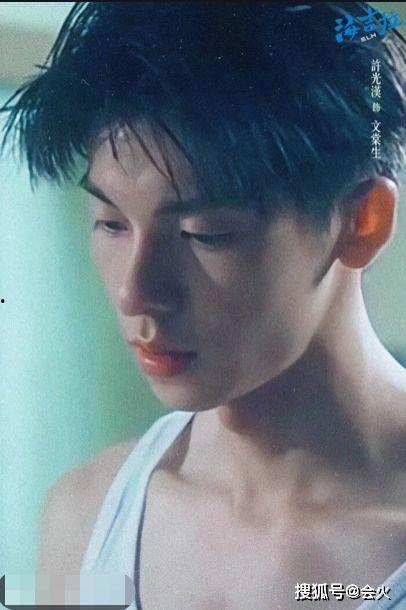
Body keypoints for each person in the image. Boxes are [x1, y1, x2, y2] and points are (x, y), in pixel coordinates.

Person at [2, 2, 406, 608]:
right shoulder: (90, 521)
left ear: (363, 221)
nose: (135, 292)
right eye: (111, 223)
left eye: (205, 233)